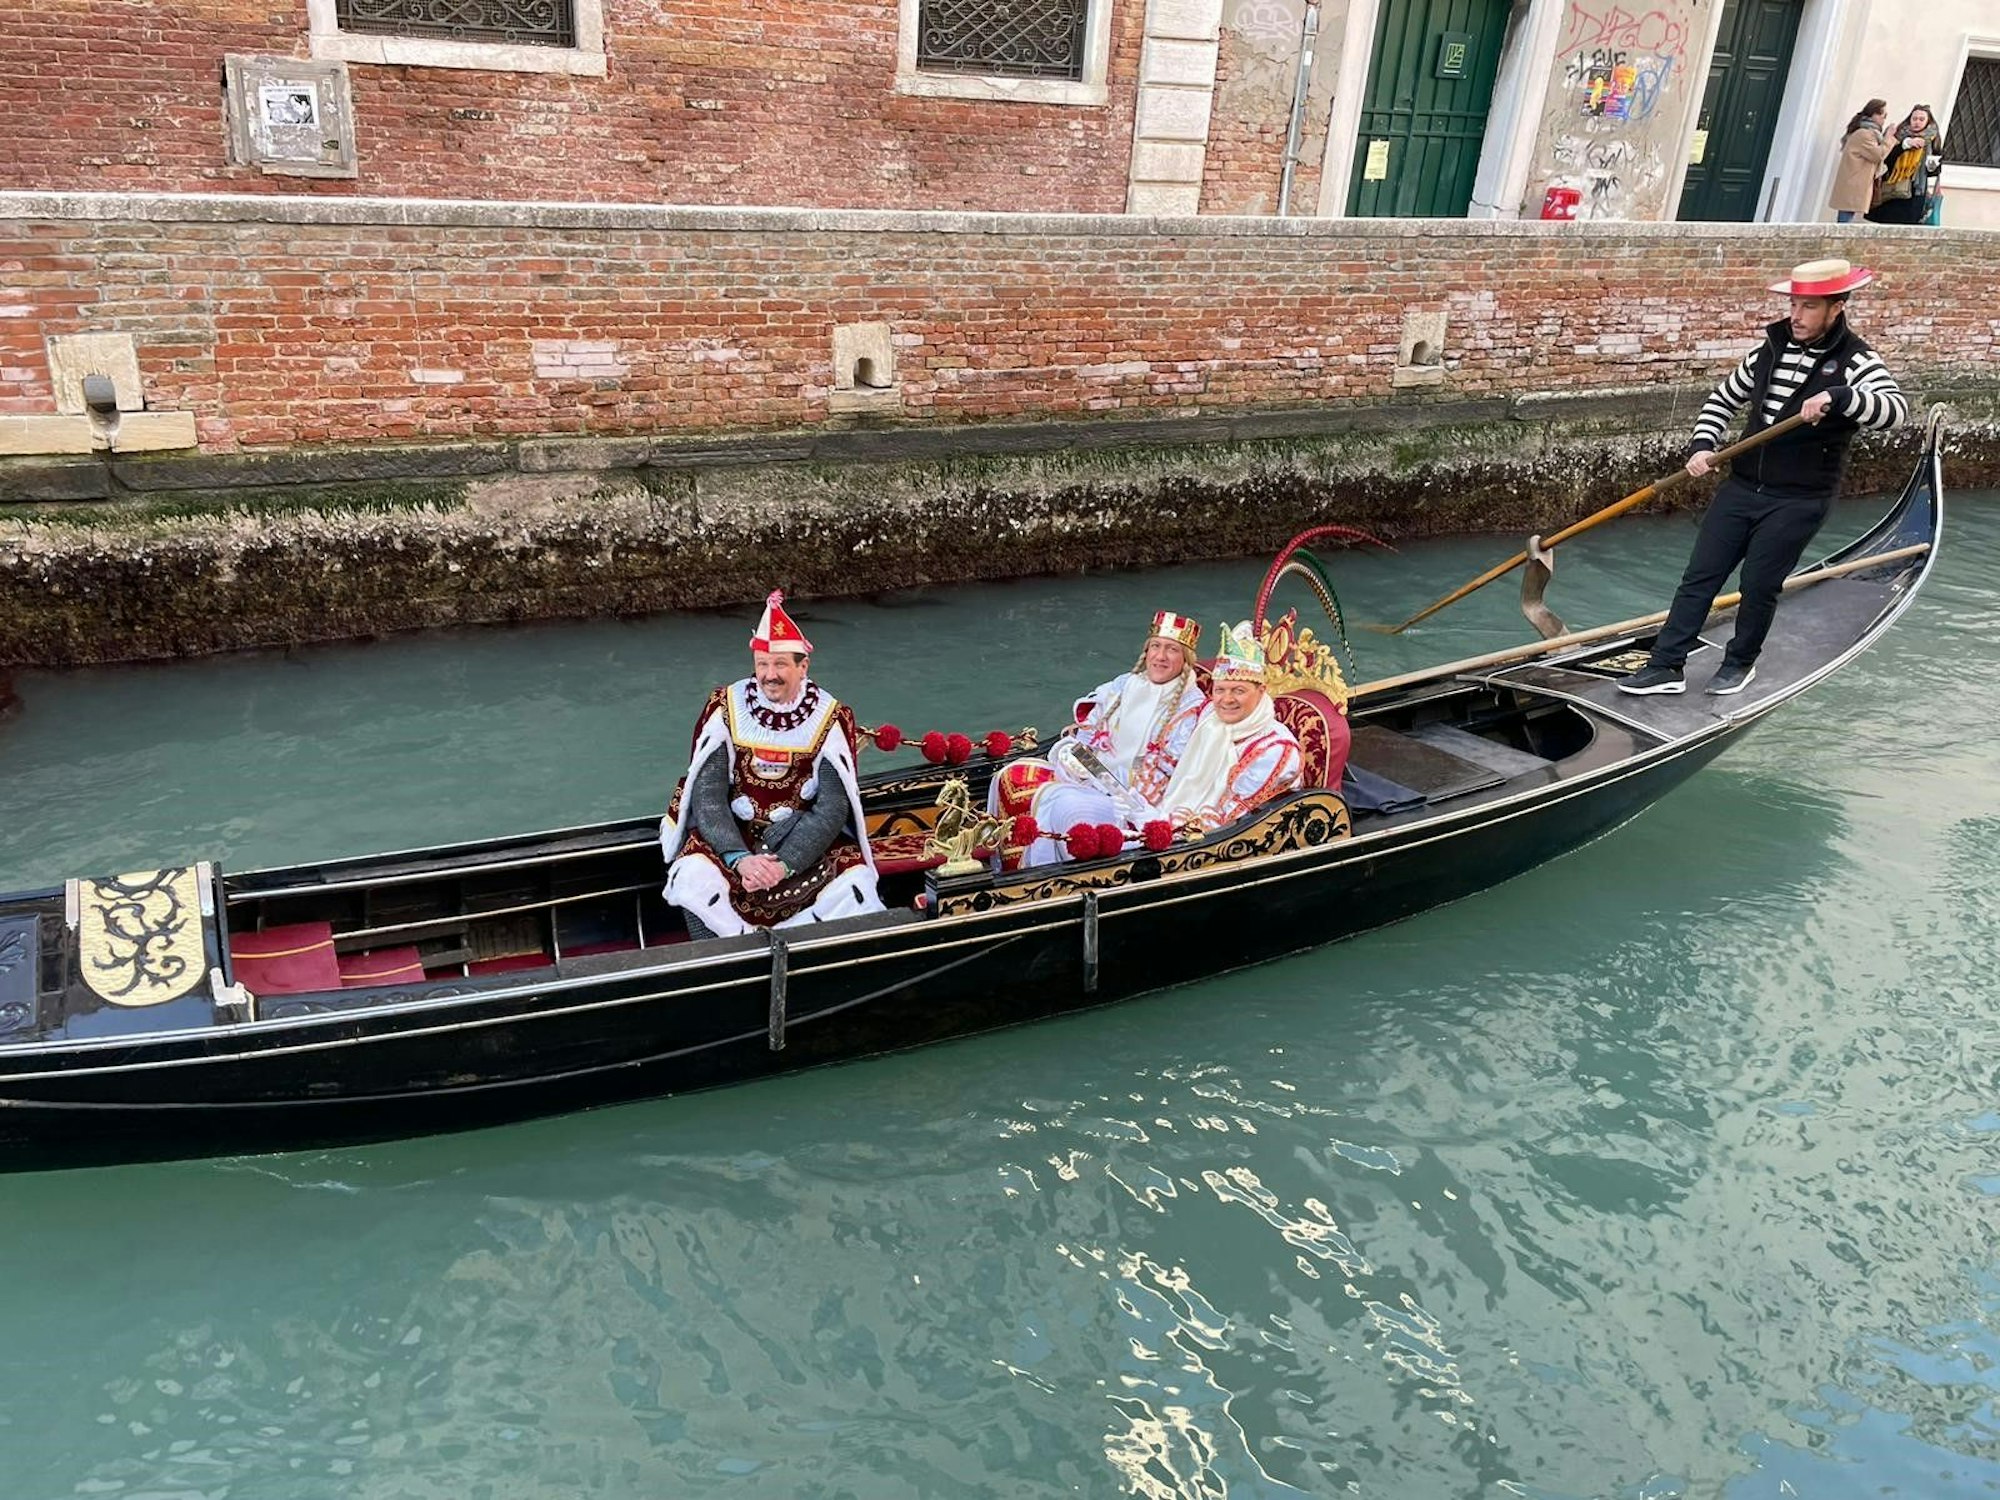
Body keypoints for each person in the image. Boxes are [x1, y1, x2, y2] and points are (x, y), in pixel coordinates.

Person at [1618, 257, 1907, 698]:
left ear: (1837, 307)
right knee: (1700, 576)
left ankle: (1739, 663)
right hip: (1741, 486)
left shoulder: (1856, 359)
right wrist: (1702, 446)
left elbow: (1894, 411)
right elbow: (1722, 399)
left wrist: (1840, 395)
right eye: (1794, 304)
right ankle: (1665, 666)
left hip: (1799, 498)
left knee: (1758, 584)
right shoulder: (1768, 349)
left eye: (1809, 307)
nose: (1796, 316)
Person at [659, 590, 885, 937]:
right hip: (736, 842)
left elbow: (832, 808)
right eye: (762, 664)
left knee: (855, 886)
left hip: (801, 843)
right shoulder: (725, 707)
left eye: (780, 664)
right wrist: (738, 858)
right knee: (692, 875)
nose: (769, 675)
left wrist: (785, 864)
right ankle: (720, 963)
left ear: (802, 666)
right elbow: (708, 794)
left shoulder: (830, 718)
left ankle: (815, 963)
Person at [1027, 621, 1302, 863]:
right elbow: (1163, 764)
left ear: (1261, 690)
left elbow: (1229, 817)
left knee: (1068, 808)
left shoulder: (1275, 749)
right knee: (1058, 797)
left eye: (1238, 691)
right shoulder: (1209, 716)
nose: (1227, 700)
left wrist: (1156, 820)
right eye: (1221, 690)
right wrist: (1135, 799)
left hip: (1204, 843)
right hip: (1156, 809)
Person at [989, 610, 1208, 826]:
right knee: (1008, 775)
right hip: (1093, 773)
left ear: (1185, 659)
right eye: (1156, 646)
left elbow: (1168, 771)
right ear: (1147, 650)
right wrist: (1076, 760)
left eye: (1172, 650)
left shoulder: (1190, 707)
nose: (1160, 656)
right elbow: (1089, 733)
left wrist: (1102, 778)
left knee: (1063, 804)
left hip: (1133, 800)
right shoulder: (1125, 683)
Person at [1866, 105, 1943, 226]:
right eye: (1915, 118)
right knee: (1888, 223)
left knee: (1907, 225)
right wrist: (1904, 145)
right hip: (1894, 189)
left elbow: (1934, 171)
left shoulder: (1932, 139)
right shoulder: (1899, 135)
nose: (1917, 122)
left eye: (1921, 119)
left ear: (1928, 121)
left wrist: (1932, 166)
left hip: (1915, 191)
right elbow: (1886, 159)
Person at [1830, 99, 1890, 223]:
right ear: (1873, 114)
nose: (1884, 119)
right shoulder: (1865, 134)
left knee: (1847, 219)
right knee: (1845, 222)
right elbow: (1878, 154)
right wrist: (1889, 138)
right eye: (1883, 115)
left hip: (1854, 183)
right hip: (1854, 184)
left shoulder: (1865, 131)